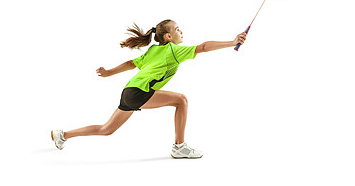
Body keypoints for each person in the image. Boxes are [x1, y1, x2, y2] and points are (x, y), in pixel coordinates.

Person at [51, 19, 247, 158]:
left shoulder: (153, 50)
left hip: (128, 92)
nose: (182, 32)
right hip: (139, 92)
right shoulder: (174, 50)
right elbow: (203, 47)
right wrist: (232, 42)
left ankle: (63, 135)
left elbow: (130, 63)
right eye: (178, 29)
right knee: (181, 100)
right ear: (169, 36)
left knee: (106, 129)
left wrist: (109, 73)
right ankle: (179, 147)